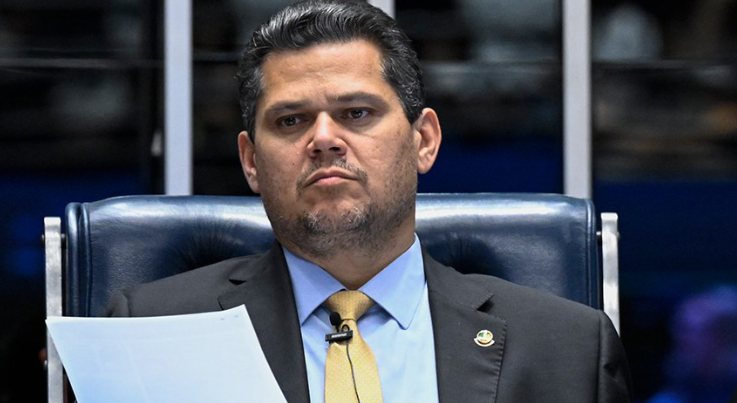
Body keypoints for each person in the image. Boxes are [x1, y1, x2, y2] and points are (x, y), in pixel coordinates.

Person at [107, 1, 633, 402]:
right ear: (250, 161)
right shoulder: (147, 333)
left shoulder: (568, 350)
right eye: (290, 120)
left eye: (356, 113)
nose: (323, 139)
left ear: (423, 141)